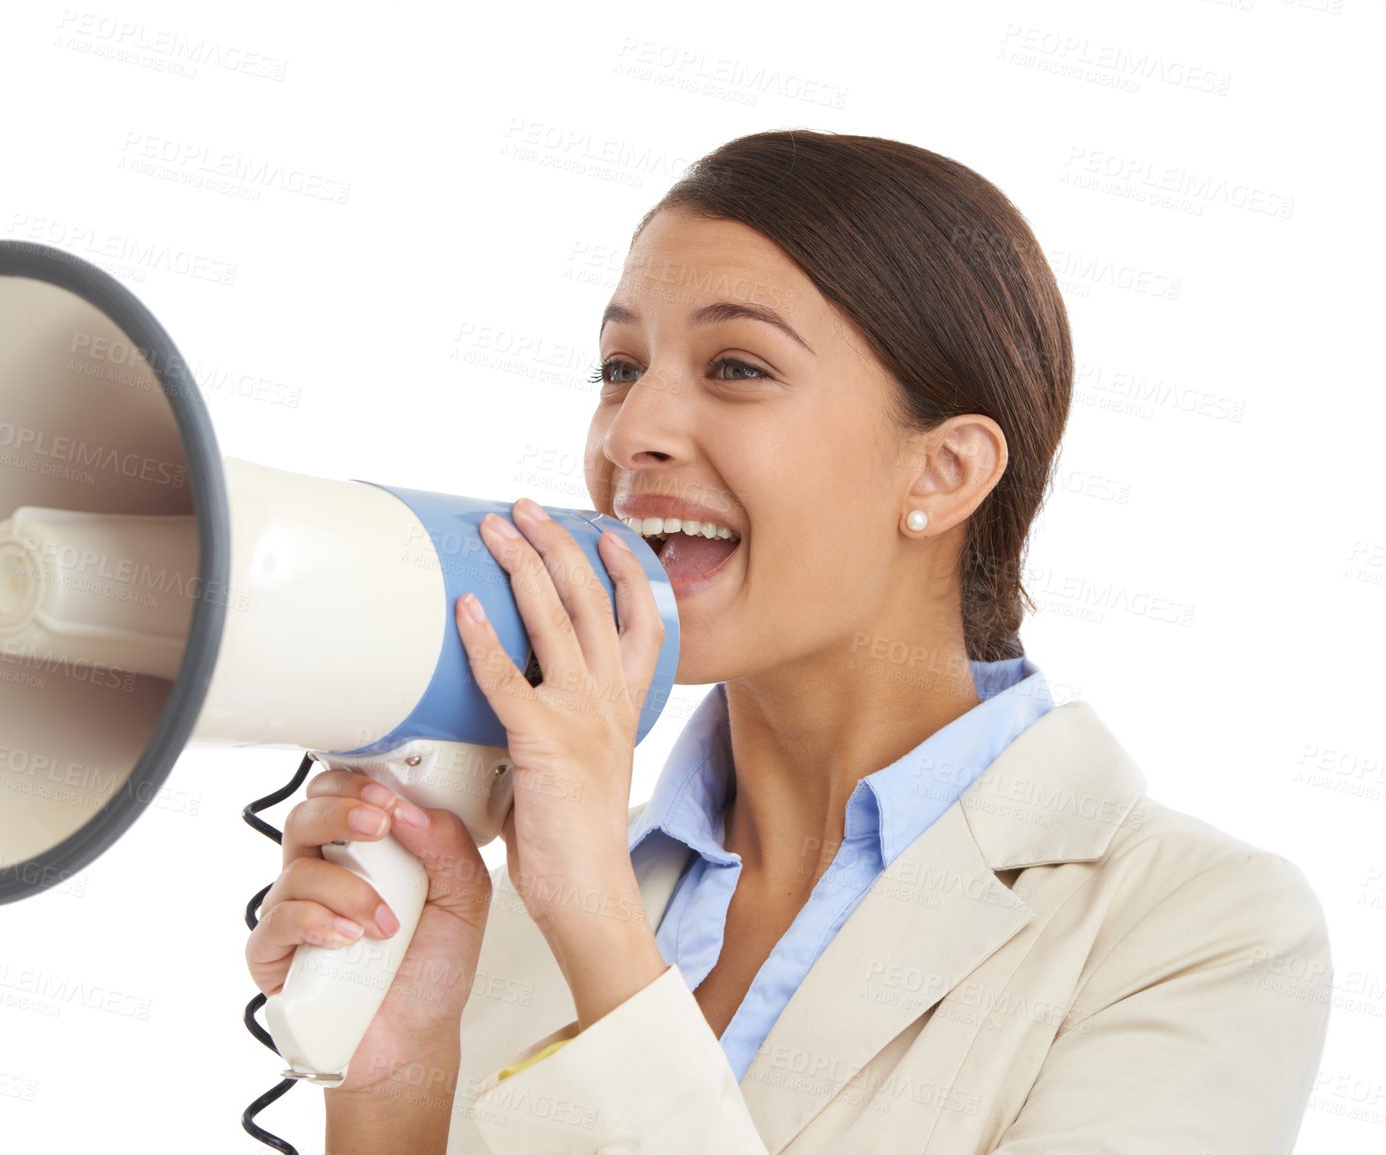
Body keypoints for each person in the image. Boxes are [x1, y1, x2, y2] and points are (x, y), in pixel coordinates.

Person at [244, 130, 1332, 1154]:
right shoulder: (530, 902)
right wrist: (398, 1087)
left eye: (737, 369)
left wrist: (601, 932)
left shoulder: (1203, 930)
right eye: (620, 369)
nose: (632, 434)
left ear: (943, 471)